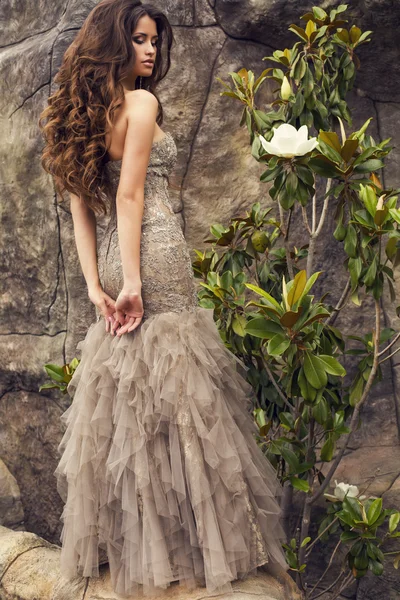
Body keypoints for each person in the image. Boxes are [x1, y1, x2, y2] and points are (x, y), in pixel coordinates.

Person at [38, 0, 288, 597]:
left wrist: (95, 283)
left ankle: (150, 549)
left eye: (155, 41)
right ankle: (196, 552)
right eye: (141, 41)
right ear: (114, 45)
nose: (151, 52)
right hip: (152, 252)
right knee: (177, 382)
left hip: (116, 260)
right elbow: (128, 199)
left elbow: (79, 206)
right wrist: (131, 282)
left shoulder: (83, 114)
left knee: (130, 383)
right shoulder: (143, 104)